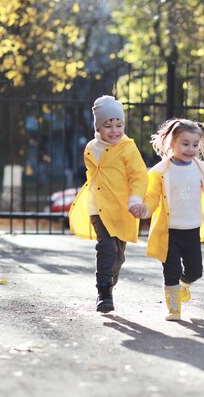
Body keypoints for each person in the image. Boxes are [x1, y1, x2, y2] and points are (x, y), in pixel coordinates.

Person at [142, 118, 204, 321]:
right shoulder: (160, 172)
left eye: (195, 145)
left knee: (195, 271)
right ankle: (173, 309)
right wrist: (145, 208)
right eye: (185, 143)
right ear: (171, 143)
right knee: (171, 270)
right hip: (169, 231)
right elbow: (152, 196)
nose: (191, 149)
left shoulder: (201, 170)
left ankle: (184, 286)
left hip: (191, 230)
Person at [68, 95, 148, 313]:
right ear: (98, 127)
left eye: (119, 124)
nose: (114, 130)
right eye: (108, 125)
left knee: (118, 254)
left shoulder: (128, 148)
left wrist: (135, 200)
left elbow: (139, 176)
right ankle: (103, 291)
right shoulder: (91, 148)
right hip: (98, 206)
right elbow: (93, 176)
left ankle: (109, 284)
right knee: (107, 246)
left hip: (122, 208)